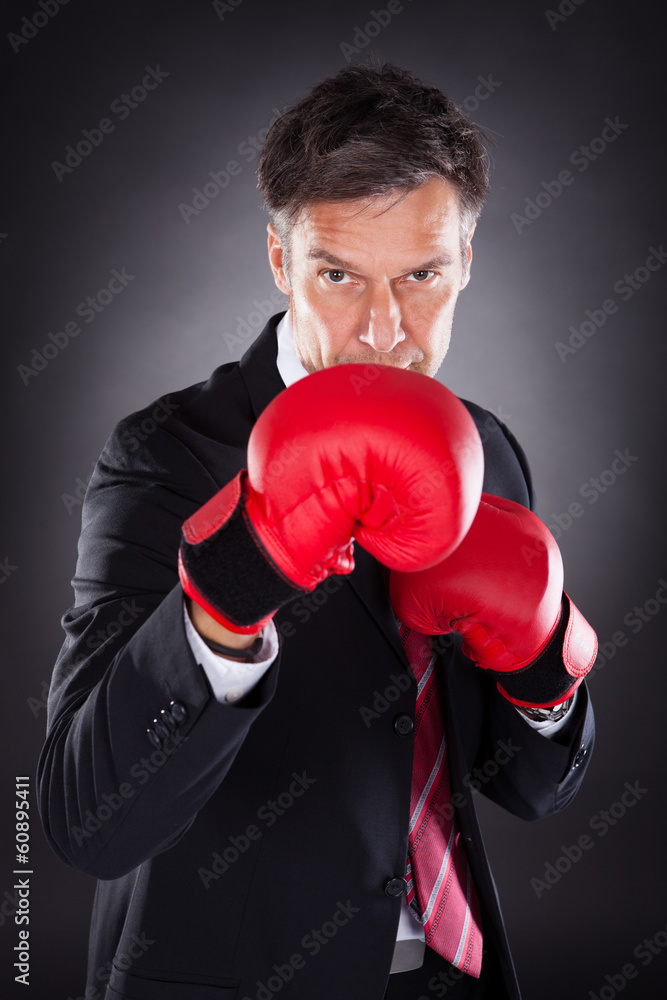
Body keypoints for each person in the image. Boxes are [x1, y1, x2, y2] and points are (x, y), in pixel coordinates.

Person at [38, 63, 596, 1000]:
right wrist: (224, 606)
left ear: (466, 262)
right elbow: (84, 822)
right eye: (338, 275)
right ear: (278, 260)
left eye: (421, 276)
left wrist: (542, 668)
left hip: (454, 977)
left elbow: (533, 788)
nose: (383, 329)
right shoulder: (166, 456)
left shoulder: (488, 450)